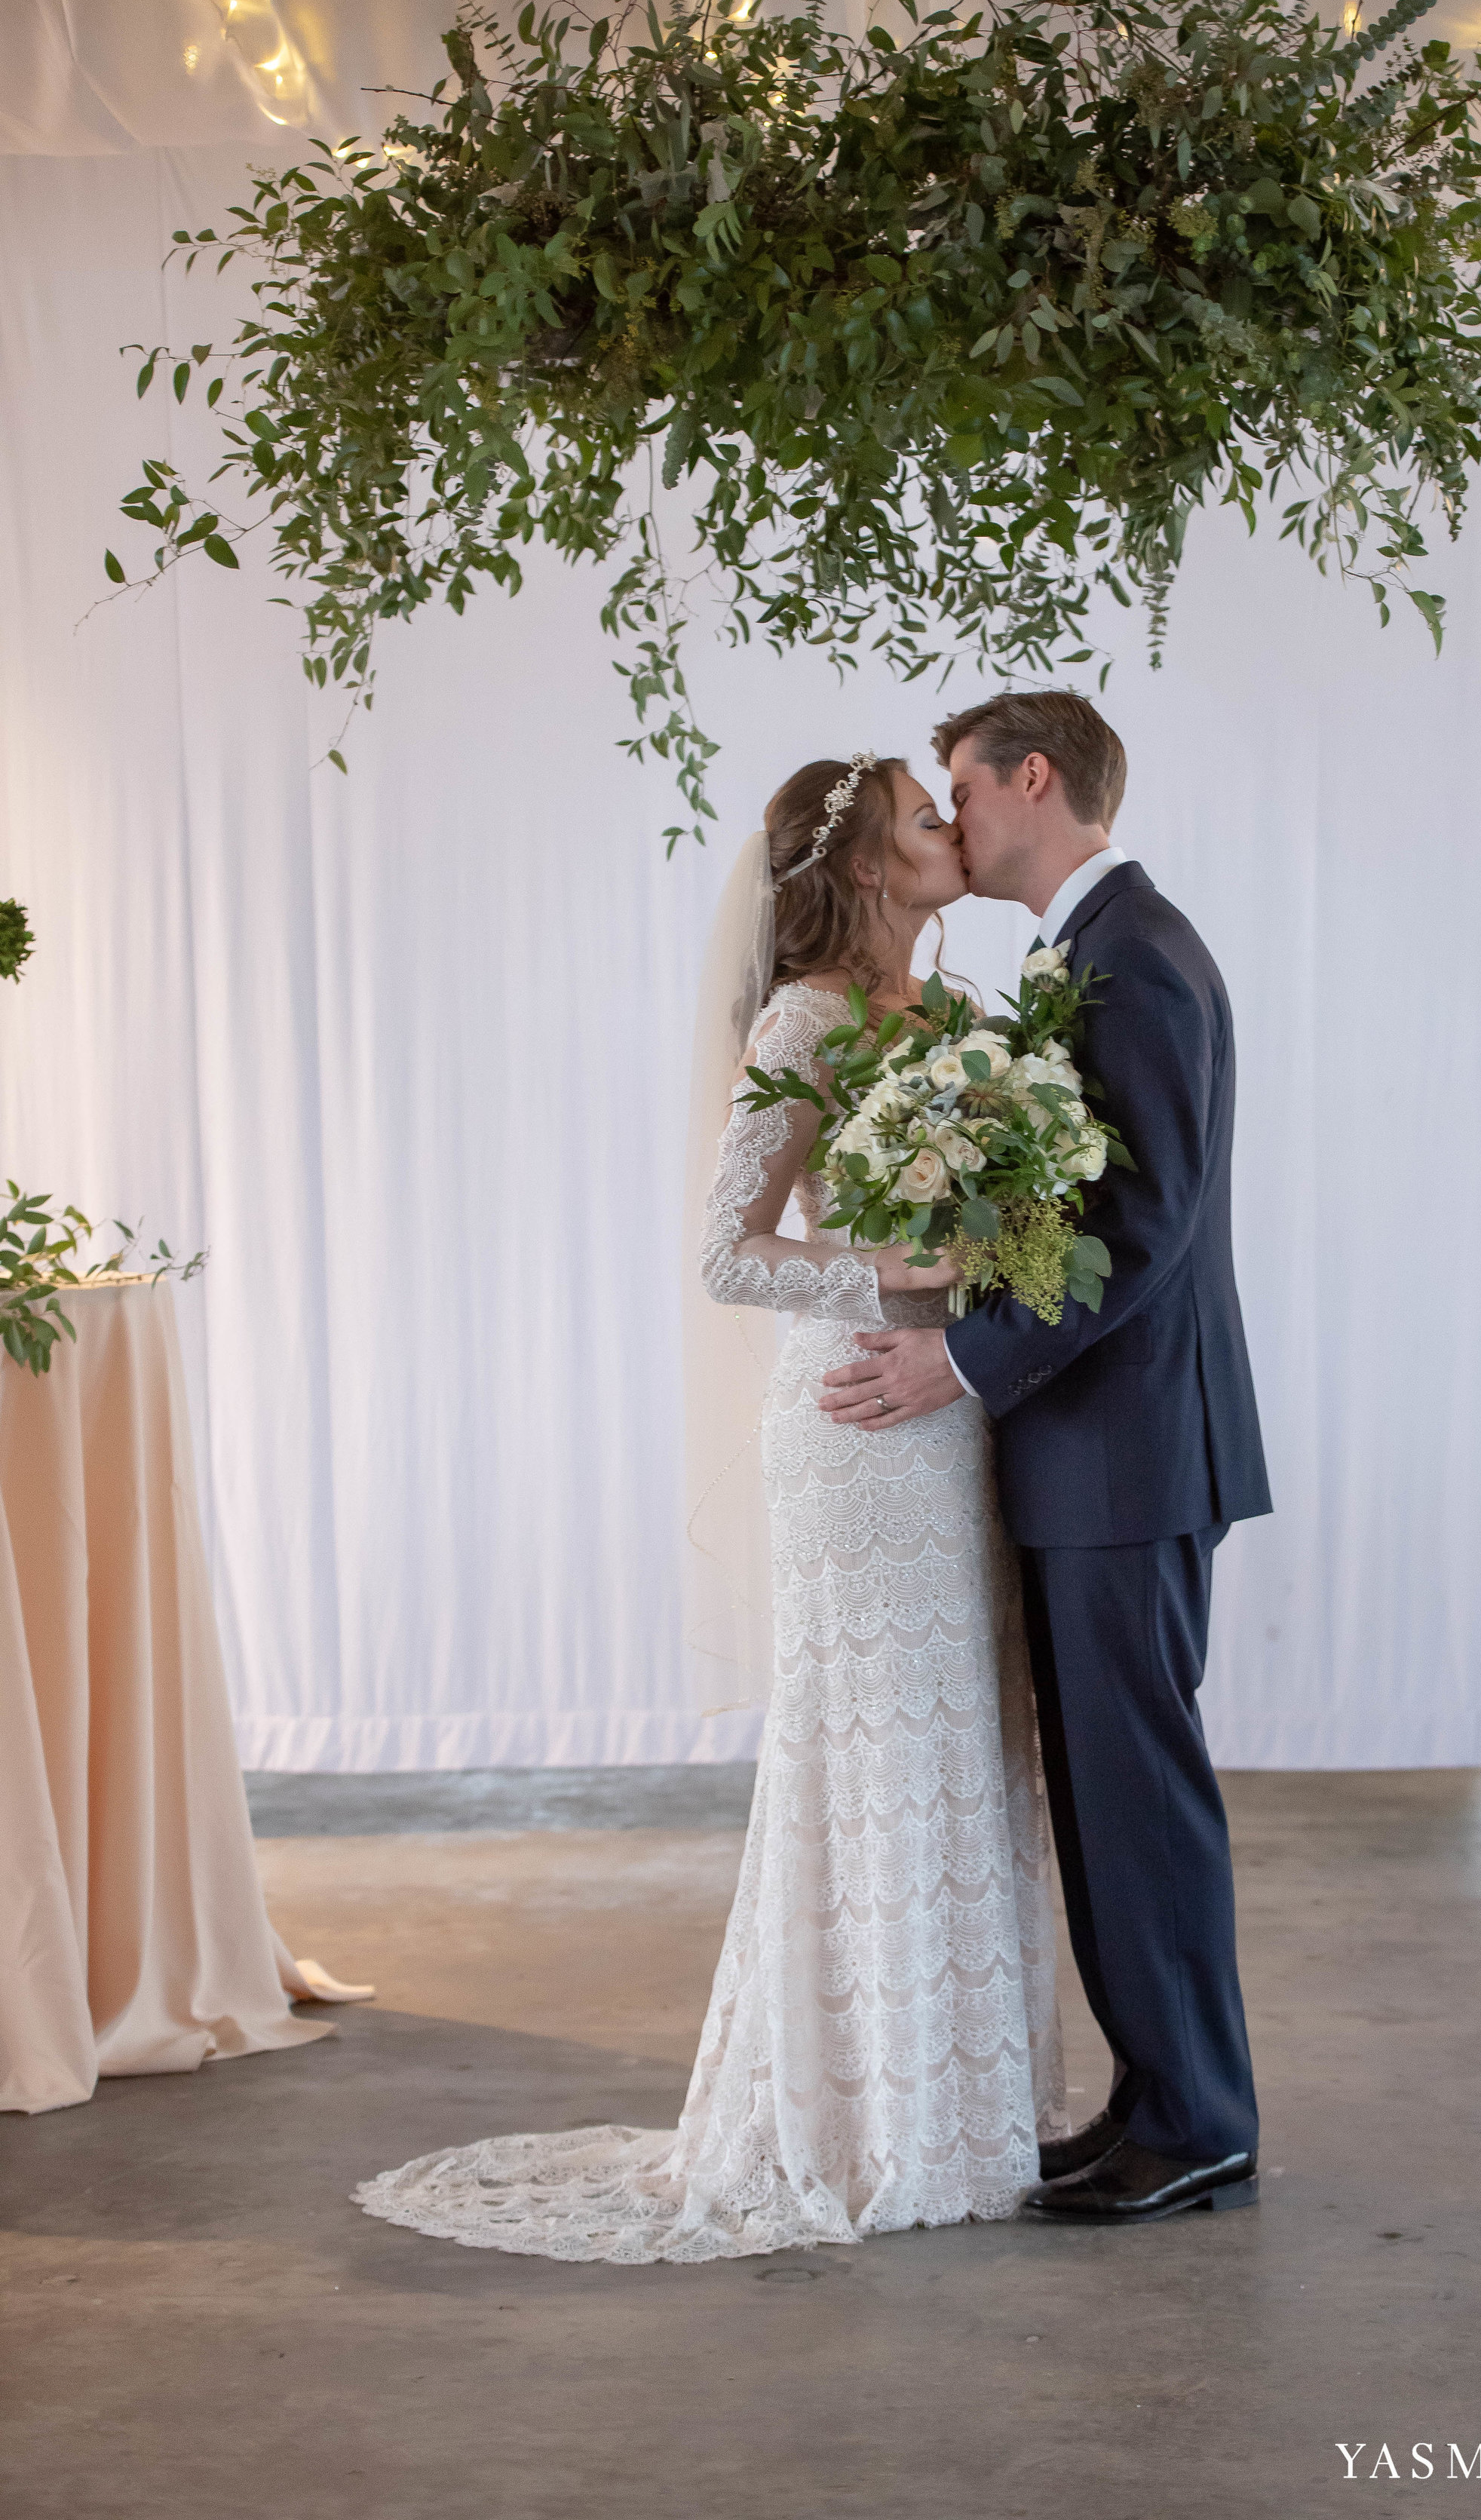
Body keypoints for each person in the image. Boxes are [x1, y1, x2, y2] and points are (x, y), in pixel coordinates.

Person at [354, 755, 1064, 2264]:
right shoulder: (807, 1017)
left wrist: (990, 1278)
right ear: (870, 863)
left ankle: (959, 2113)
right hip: (852, 1428)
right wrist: (909, 1280)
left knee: (960, 1741)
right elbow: (727, 1252)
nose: (951, 832)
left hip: (951, 1421)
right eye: (922, 819)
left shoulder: (956, 1024)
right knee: (863, 1754)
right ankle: (852, 2123)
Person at [819, 692, 1271, 2225]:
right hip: (1099, 1447)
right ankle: (1159, 2093)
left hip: (1129, 1449)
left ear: (1035, 777)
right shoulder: (1091, 951)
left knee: (1136, 1790)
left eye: (962, 786)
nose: (951, 819)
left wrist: (955, 1360)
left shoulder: (1133, 960)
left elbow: (1134, 1233)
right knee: (1101, 1789)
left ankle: (1198, 2113)